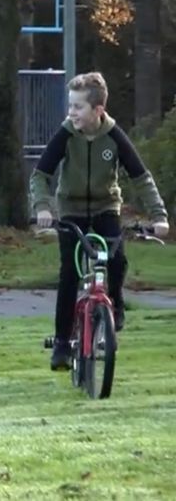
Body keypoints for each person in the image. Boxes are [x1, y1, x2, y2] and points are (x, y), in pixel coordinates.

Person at [30, 72, 169, 371]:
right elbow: (40, 175)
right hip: (71, 209)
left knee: (116, 259)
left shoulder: (115, 137)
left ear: (98, 110)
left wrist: (159, 216)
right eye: (70, 106)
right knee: (69, 273)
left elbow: (141, 179)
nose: (71, 113)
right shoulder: (66, 134)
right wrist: (43, 207)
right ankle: (63, 344)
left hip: (106, 206)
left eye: (77, 107)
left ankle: (114, 304)